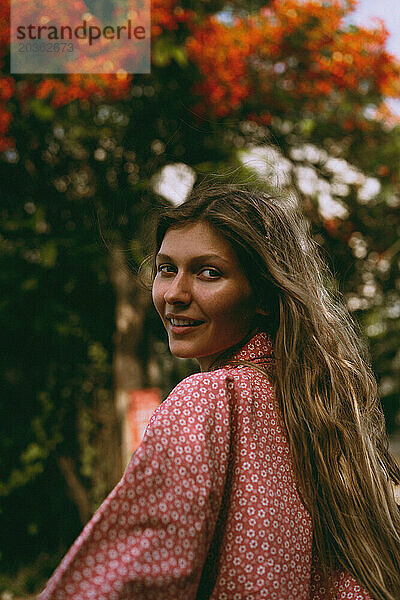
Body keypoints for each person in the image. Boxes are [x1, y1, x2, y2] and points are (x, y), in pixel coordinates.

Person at [38, 182, 400, 600]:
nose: (175, 294)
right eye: (166, 269)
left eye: (209, 272)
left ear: (263, 294)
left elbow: (137, 573)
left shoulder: (208, 399)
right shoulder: (315, 405)